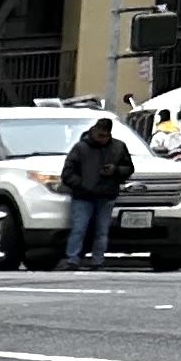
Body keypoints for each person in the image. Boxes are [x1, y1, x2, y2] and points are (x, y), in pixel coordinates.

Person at [59, 114, 135, 267]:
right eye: (99, 135)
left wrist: (115, 170)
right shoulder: (81, 148)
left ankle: (97, 260)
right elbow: (67, 173)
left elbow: (129, 168)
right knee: (79, 229)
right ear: (93, 131)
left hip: (106, 195)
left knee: (101, 231)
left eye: (105, 136)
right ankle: (73, 259)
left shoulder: (118, 147)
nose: (102, 139)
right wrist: (82, 185)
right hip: (83, 196)